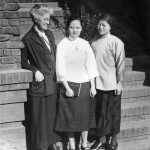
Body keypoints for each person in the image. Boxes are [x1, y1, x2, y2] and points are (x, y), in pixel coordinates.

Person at [21, 4, 62, 150]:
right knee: (40, 120)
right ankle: (40, 147)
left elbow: (54, 55)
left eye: (48, 18)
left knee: (51, 117)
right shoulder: (28, 39)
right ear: (37, 19)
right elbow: (23, 61)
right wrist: (34, 70)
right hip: (40, 86)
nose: (48, 22)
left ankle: (51, 144)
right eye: (45, 19)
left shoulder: (49, 34)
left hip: (52, 82)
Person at [55, 16, 99, 150]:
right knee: (70, 117)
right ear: (67, 28)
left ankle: (84, 143)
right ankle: (72, 145)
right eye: (72, 28)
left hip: (84, 86)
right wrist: (66, 87)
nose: (75, 31)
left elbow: (90, 65)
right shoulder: (62, 44)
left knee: (84, 116)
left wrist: (93, 86)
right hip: (68, 86)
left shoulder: (85, 44)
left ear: (81, 28)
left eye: (78, 28)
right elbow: (60, 67)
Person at [90, 13, 125, 150]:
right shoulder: (93, 42)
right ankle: (102, 140)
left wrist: (119, 82)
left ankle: (114, 141)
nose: (100, 27)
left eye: (104, 24)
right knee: (100, 114)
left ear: (110, 27)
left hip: (112, 84)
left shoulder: (116, 42)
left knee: (113, 114)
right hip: (98, 85)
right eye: (99, 24)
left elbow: (120, 64)